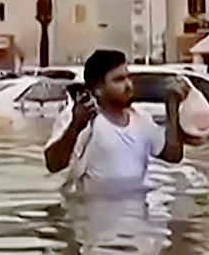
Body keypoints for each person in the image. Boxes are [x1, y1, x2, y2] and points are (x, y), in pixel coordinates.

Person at [45, 49, 189, 193]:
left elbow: (173, 156)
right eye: (119, 80)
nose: (128, 85)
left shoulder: (141, 119)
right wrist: (76, 125)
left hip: (135, 212)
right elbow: (53, 164)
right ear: (98, 87)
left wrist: (172, 106)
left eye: (128, 77)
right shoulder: (78, 117)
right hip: (89, 213)